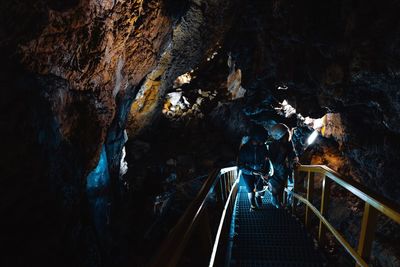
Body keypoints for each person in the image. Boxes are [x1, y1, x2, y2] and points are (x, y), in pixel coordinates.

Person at [237, 127, 271, 211]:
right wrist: (251, 172)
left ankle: (258, 197)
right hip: (248, 173)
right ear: (255, 139)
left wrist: (266, 172)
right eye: (260, 141)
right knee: (250, 189)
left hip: (260, 172)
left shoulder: (263, 147)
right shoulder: (244, 149)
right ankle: (252, 205)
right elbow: (240, 165)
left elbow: (267, 160)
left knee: (259, 188)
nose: (262, 142)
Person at [267, 123, 299, 208]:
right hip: (275, 170)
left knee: (281, 187)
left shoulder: (288, 143)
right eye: (286, 134)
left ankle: (280, 203)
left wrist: (294, 161)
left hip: (284, 169)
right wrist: (282, 153)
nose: (288, 135)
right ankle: (275, 201)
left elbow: (292, 153)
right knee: (275, 188)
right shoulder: (272, 145)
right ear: (280, 136)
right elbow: (272, 160)